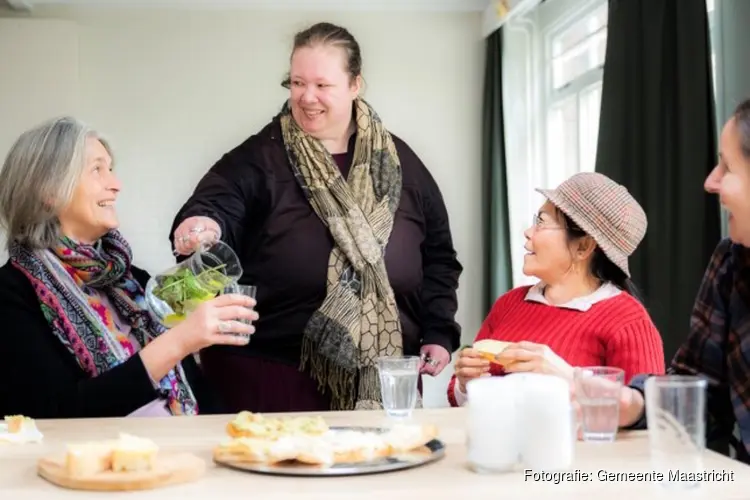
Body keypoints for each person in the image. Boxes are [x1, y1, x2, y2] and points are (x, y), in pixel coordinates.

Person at [170, 22, 463, 413]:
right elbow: (216, 204)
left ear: (355, 84)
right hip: (268, 379)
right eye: (296, 83)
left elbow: (439, 257)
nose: (307, 97)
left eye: (322, 85)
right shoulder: (260, 157)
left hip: (385, 378)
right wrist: (201, 224)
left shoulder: (400, 163)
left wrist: (438, 331)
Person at [0, 116, 257, 419]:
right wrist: (180, 340)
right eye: (97, 169)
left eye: (111, 169)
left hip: (180, 455)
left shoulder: (133, 281)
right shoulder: (11, 294)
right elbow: (56, 414)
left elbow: (200, 395)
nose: (116, 184)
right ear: (48, 191)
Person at [449, 172, 665, 407]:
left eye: (541, 222)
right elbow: (460, 400)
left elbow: (649, 417)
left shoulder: (628, 321)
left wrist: (565, 376)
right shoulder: (508, 304)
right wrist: (464, 384)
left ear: (583, 247)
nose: (529, 232)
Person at [617, 98, 750, 464]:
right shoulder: (731, 264)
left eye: (727, 165)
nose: (710, 182)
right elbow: (700, 393)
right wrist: (634, 402)